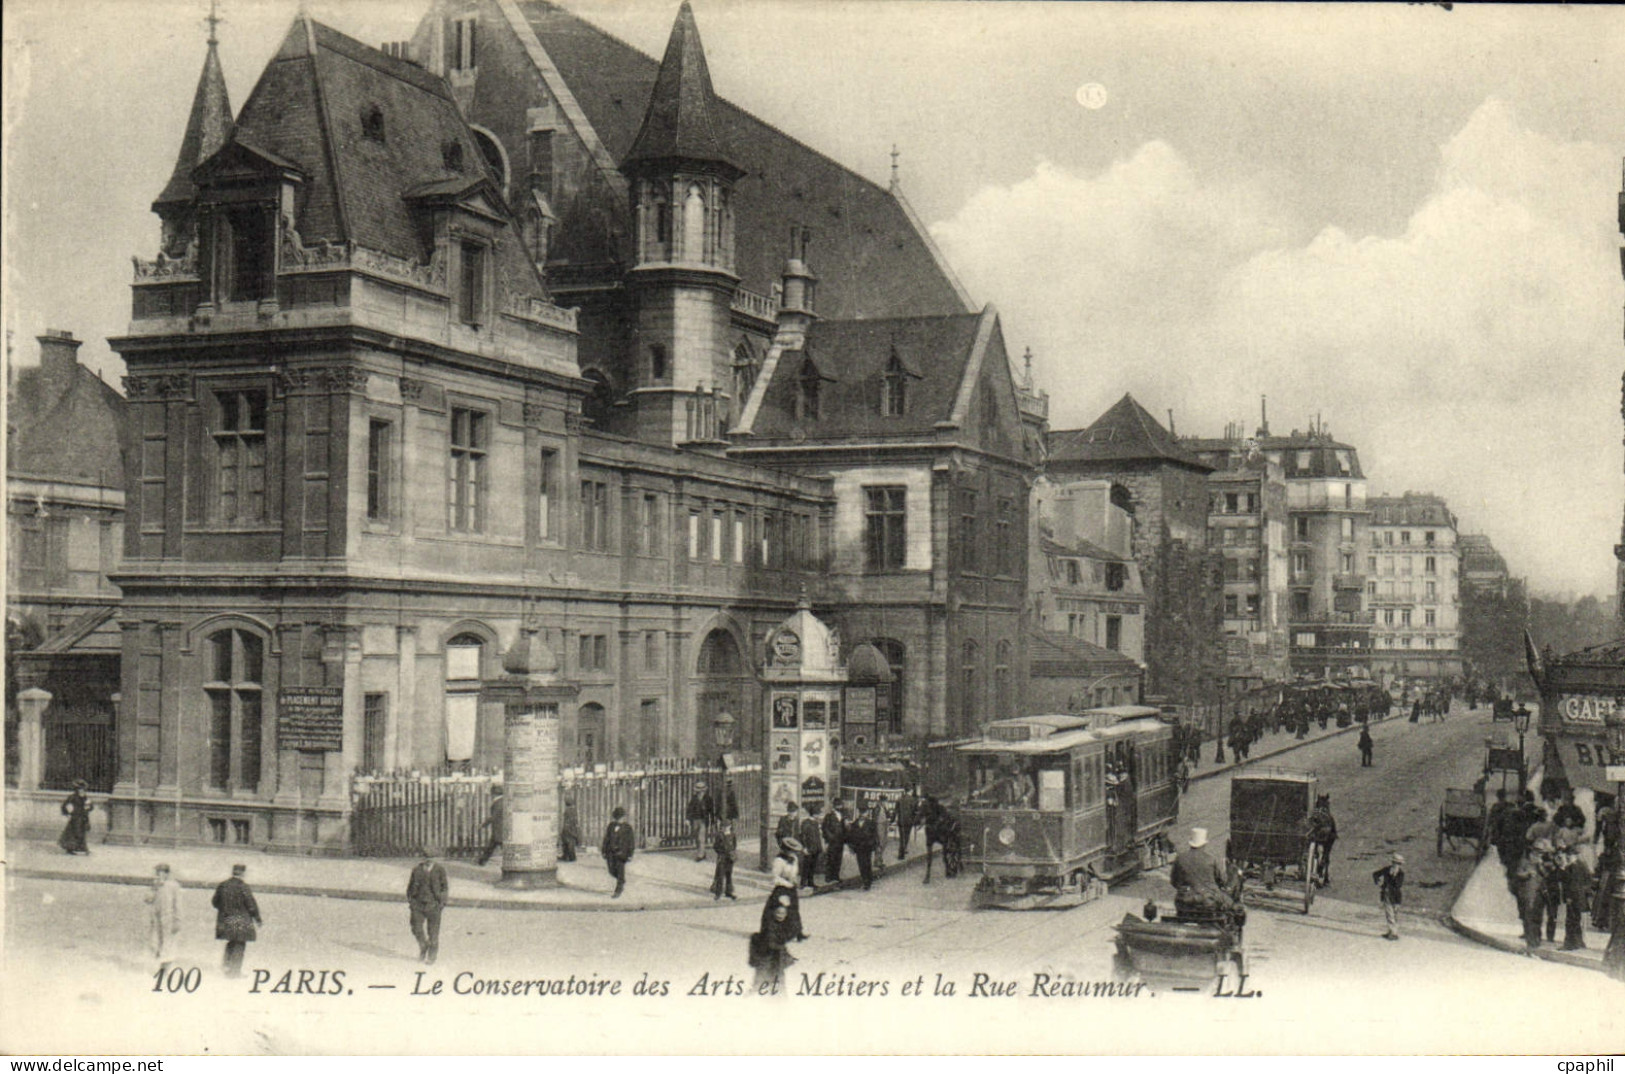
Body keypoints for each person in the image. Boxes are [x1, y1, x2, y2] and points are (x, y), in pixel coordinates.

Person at [1170, 828, 1238, 926]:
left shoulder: (1180, 858)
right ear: (1204, 844)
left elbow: (1174, 881)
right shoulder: (1211, 859)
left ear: (1190, 843)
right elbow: (1222, 881)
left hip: (1183, 902)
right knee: (1231, 905)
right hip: (1207, 903)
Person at [211, 863, 261, 978]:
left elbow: (214, 902)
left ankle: (226, 965)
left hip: (227, 919)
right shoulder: (243, 887)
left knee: (231, 941)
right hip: (241, 920)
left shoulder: (223, 885)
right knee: (239, 944)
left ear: (233, 872)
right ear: (243, 873)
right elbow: (251, 905)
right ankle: (234, 972)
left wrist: (225, 910)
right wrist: (257, 919)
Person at [406, 853, 449, 964]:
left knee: (433, 933)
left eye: (432, 857)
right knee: (416, 928)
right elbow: (410, 887)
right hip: (418, 904)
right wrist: (412, 901)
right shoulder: (417, 870)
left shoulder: (440, 870)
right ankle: (423, 945)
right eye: (426, 857)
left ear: (435, 858)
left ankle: (432, 956)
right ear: (423, 858)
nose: (429, 860)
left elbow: (445, 887)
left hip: (433, 904)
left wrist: (442, 903)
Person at [748, 896, 797, 992]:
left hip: (775, 960)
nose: (780, 915)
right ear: (773, 912)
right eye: (778, 913)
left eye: (783, 913)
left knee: (777, 984)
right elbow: (771, 943)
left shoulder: (781, 925)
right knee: (762, 983)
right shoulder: (770, 926)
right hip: (767, 959)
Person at [765, 838, 807, 941]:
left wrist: (794, 880)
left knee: (794, 910)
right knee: (779, 912)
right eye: (790, 850)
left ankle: (798, 932)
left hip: (791, 888)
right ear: (785, 850)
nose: (792, 853)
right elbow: (775, 877)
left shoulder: (794, 858)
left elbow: (794, 872)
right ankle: (775, 935)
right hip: (781, 889)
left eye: (793, 851)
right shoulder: (779, 861)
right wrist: (787, 883)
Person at [146, 863, 182, 971]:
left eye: (160, 872)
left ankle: (166, 966)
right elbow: (147, 899)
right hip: (156, 918)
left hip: (169, 918)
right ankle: (158, 962)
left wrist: (178, 920)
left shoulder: (174, 885)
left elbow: (178, 904)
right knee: (155, 941)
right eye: (157, 872)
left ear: (166, 873)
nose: (158, 875)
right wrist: (154, 888)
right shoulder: (155, 885)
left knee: (168, 942)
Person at [1559, 841, 1592, 951]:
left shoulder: (1571, 867)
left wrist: (1569, 897)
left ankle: (1569, 944)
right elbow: (1588, 880)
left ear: (1570, 855)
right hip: (1580, 897)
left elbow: (1569, 883)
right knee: (1576, 920)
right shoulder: (1582, 865)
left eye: (1567, 855)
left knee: (1570, 920)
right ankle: (1579, 942)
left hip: (1573, 898)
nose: (1566, 857)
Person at [601, 806, 636, 898]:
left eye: (621, 818)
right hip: (610, 852)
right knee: (611, 870)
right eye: (617, 818)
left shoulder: (628, 828)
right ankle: (621, 880)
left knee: (620, 870)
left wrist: (630, 854)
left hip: (622, 853)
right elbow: (606, 839)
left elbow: (631, 842)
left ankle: (618, 888)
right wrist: (604, 851)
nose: (619, 820)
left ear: (624, 818)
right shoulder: (611, 826)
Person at [1372, 851, 1405, 940]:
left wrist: (1393, 876)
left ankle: (1393, 932)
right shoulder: (1387, 869)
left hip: (1396, 896)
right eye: (1394, 863)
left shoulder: (1400, 874)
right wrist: (1377, 881)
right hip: (1386, 894)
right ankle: (1392, 932)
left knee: (1394, 914)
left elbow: (1398, 885)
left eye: (1398, 864)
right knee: (1389, 913)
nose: (1396, 865)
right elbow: (1375, 874)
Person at [847, 804, 879, 891]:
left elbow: (875, 836)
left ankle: (868, 881)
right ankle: (865, 880)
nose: (862, 814)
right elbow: (850, 836)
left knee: (867, 864)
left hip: (867, 847)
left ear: (867, 813)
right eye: (861, 812)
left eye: (864, 812)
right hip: (858, 848)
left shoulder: (871, 823)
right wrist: (851, 847)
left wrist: (874, 846)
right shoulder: (854, 824)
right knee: (861, 864)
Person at [1307, 795, 1337, 886]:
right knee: (1326, 853)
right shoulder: (1328, 816)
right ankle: (1323, 868)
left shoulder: (1314, 814)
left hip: (1315, 834)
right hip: (1328, 835)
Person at [58, 780, 93, 855]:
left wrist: (89, 806)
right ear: (76, 790)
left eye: (83, 789)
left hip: (84, 817)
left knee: (82, 832)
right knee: (75, 832)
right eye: (80, 789)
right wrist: (67, 813)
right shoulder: (72, 797)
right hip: (76, 817)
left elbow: (90, 807)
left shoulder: (86, 798)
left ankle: (81, 848)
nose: (81, 791)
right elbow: (64, 805)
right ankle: (71, 848)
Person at [797, 806, 824, 890]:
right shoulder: (806, 823)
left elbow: (817, 836)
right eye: (818, 814)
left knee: (813, 866)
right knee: (806, 866)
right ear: (814, 814)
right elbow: (803, 836)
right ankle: (803, 883)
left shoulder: (815, 823)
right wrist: (804, 848)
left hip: (815, 848)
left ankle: (810, 882)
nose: (819, 816)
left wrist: (820, 847)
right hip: (808, 848)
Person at [476, 789, 504, 867]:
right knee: (493, 845)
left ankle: (482, 861)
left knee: (493, 845)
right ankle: (482, 861)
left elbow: (493, 817)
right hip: (500, 828)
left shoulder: (498, 803)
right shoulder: (502, 801)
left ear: (494, 794)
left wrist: (483, 824)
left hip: (498, 828)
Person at [711, 820, 738, 901]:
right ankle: (718, 893)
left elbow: (734, 844)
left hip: (730, 857)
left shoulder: (732, 835)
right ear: (721, 828)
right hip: (722, 857)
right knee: (720, 875)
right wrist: (720, 852)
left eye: (727, 827)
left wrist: (732, 852)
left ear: (730, 827)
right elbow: (715, 846)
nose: (726, 829)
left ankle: (729, 891)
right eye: (724, 827)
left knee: (729, 875)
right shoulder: (719, 835)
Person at [821, 802, 846, 885]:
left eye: (840, 805)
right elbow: (825, 828)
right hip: (832, 841)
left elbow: (844, 827)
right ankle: (828, 877)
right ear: (834, 806)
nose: (840, 807)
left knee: (838, 858)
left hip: (840, 841)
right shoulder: (829, 816)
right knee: (831, 858)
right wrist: (830, 838)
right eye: (838, 805)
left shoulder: (842, 816)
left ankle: (836, 876)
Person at [686, 788, 712, 862]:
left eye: (702, 791)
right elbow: (689, 809)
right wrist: (687, 819)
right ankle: (702, 852)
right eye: (698, 791)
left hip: (703, 820)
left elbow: (711, 810)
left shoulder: (708, 799)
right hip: (695, 820)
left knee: (701, 838)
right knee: (697, 837)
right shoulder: (694, 798)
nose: (700, 792)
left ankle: (700, 855)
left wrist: (712, 820)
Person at [894, 787, 919, 861]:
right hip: (909, 821)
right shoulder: (913, 800)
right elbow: (915, 811)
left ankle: (902, 851)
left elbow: (896, 810)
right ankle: (902, 852)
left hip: (901, 820)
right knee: (907, 836)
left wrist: (892, 820)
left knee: (902, 837)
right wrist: (915, 820)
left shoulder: (899, 799)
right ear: (910, 790)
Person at [559, 797, 581, 862]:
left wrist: (565, 828)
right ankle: (567, 856)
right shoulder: (574, 810)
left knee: (568, 843)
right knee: (568, 843)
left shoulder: (568, 811)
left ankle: (570, 857)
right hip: (572, 828)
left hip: (568, 829)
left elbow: (567, 821)